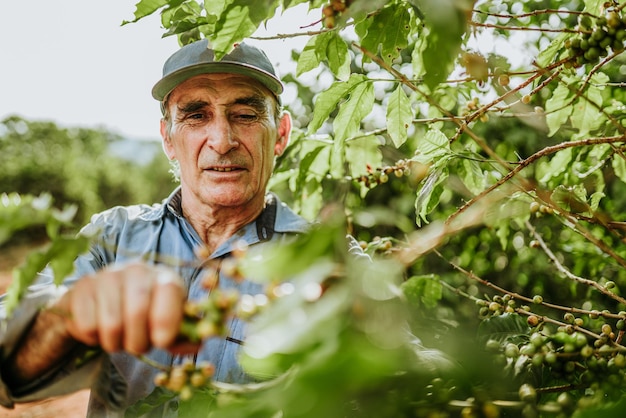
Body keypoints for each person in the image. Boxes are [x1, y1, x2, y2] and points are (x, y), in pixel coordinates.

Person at [0, 38, 311, 417]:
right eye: (196, 115)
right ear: (167, 139)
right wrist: (67, 315)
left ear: (280, 134)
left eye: (245, 114)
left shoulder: (326, 260)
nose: (222, 141)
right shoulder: (113, 238)